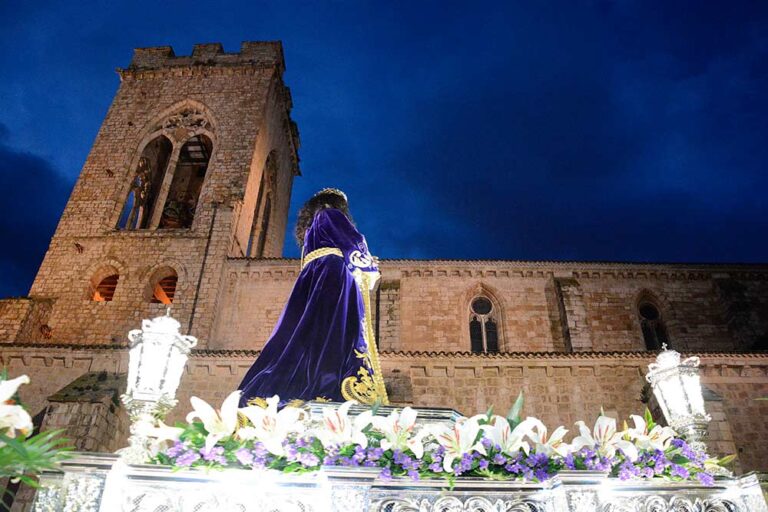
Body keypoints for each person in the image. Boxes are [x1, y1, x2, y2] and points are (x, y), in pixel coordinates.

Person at [238, 188, 389, 406]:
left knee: (310, 333)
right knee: (336, 330)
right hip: (334, 276)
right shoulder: (330, 215)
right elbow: (352, 241)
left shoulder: (311, 230)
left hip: (312, 280)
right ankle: (329, 387)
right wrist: (370, 267)